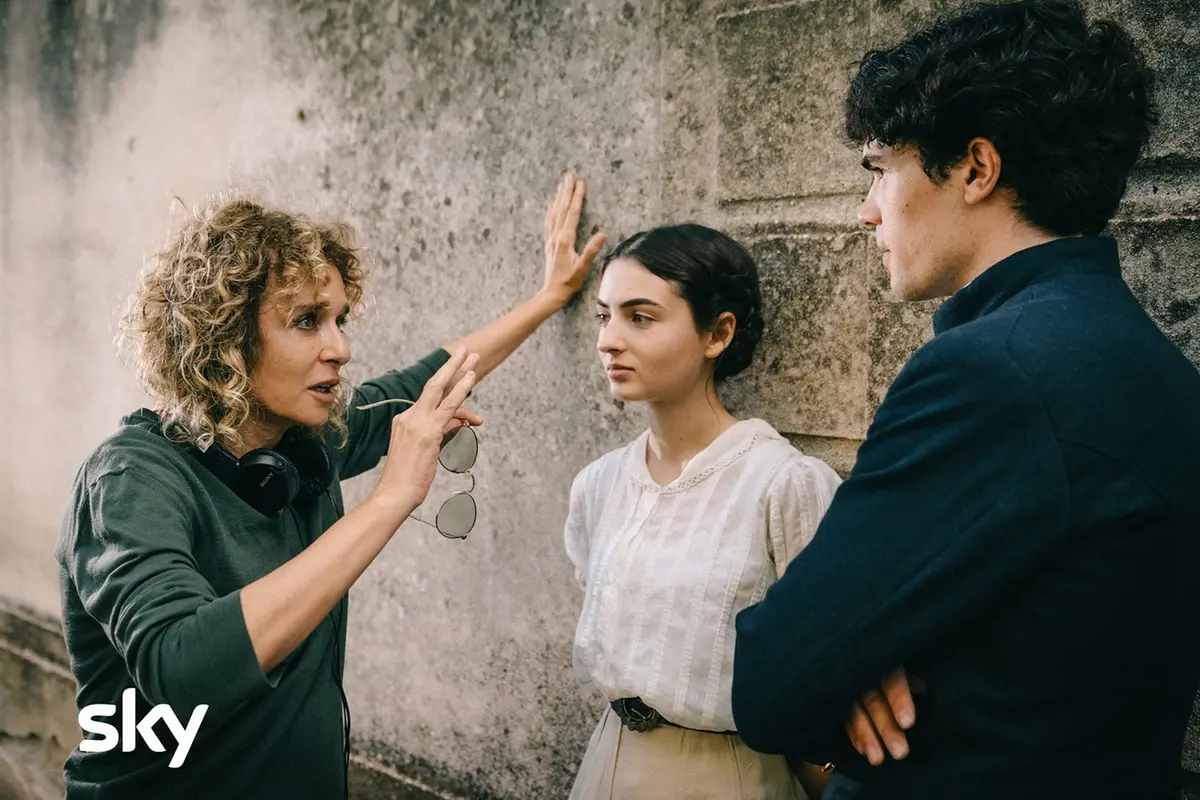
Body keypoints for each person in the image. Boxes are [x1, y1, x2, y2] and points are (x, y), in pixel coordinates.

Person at [729, 2, 1200, 798]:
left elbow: (774, 679)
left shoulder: (993, 374)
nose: (867, 209)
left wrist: (840, 671)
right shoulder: (1155, 366)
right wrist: (859, 661)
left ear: (977, 169)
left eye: (880, 169)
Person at [54, 175, 605, 798]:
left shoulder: (300, 445)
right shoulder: (131, 480)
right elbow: (182, 668)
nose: (340, 348)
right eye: (307, 321)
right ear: (224, 335)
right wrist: (391, 498)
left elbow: (435, 377)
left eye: (338, 319)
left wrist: (551, 296)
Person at [561, 222, 844, 800]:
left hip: (726, 773)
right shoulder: (599, 484)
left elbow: (826, 672)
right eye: (604, 315)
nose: (609, 339)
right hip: (608, 761)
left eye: (640, 317)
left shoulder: (783, 484)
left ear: (717, 334)